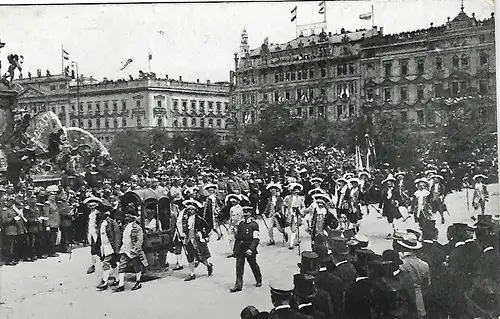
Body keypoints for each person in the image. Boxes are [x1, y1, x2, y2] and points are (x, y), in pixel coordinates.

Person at [396, 233, 430, 319]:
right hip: (419, 301)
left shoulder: (400, 264)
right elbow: (427, 285)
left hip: (404, 301)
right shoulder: (424, 264)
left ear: (403, 247)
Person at [114, 207, 147, 292]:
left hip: (133, 250)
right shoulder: (125, 226)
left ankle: (138, 281)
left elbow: (140, 239)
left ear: (133, 217)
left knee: (136, 266)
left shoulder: (137, 227)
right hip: (125, 249)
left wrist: (136, 248)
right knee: (122, 266)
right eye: (126, 216)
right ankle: (121, 284)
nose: (126, 218)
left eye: (128, 216)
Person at [230, 206, 262, 293]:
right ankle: (238, 285)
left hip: (249, 248)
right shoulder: (241, 224)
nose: (245, 214)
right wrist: (235, 250)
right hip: (241, 248)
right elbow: (238, 238)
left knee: (253, 265)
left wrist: (251, 249)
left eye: (247, 213)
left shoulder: (254, 225)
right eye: (244, 212)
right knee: (239, 267)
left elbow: (256, 239)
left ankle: (258, 279)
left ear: (250, 213)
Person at [182, 199, 213, 281]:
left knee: (200, 257)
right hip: (189, 239)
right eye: (189, 209)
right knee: (190, 256)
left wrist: (203, 236)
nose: (190, 211)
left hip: (197, 240)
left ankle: (208, 265)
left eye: (192, 209)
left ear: (195, 210)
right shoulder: (186, 218)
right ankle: (192, 274)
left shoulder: (199, 219)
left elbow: (206, 227)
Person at [96, 207, 121, 291]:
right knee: (113, 263)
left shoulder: (111, 223)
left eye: (99, 212)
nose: (98, 213)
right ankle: (117, 279)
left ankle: (104, 282)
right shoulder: (101, 223)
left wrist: (116, 248)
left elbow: (117, 236)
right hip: (104, 247)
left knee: (106, 263)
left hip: (110, 247)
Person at [83, 196, 103, 274]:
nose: (92, 208)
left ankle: (102, 263)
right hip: (90, 231)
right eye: (90, 206)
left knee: (99, 247)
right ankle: (93, 264)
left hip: (97, 232)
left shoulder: (99, 214)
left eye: (93, 206)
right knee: (92, 248)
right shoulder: (88, 214)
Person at [283, 183, 305, 250]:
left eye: (297, 191)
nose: (296, 192)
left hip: (297, 214)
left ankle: (291, 244)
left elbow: (303, 206)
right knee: (292, 228)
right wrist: (285, 208)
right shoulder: (287, 198)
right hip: (290, 214)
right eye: (294, 191)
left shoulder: (301, 198)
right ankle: (296, 240)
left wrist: (301, 211)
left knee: (294, 228)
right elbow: (284, 204)